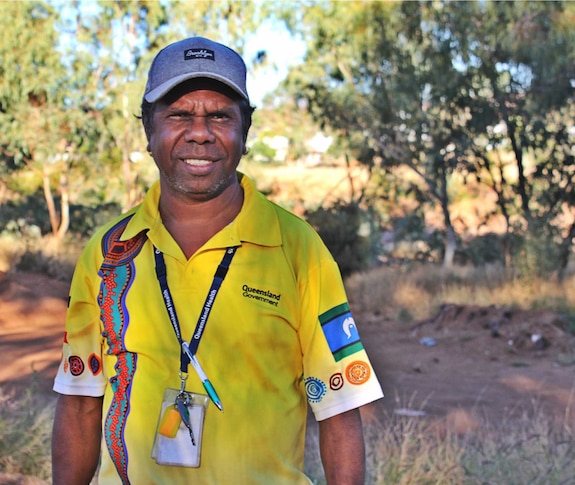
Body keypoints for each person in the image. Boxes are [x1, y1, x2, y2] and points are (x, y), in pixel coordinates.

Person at [51, 36, 384, 485]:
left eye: (220, 116)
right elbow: (79, 401)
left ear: (245, 132)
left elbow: (338, 409)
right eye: (179, 115)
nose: (200, 132)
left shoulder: (299, 249)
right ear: (149, 131)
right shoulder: (109, 252)